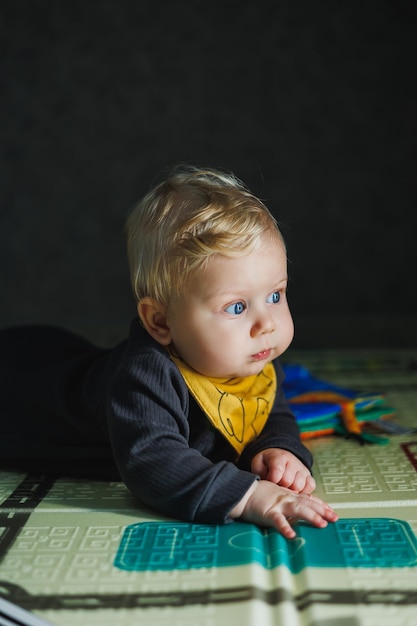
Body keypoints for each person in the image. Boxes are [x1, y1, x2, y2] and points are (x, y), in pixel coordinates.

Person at [0, 165, 338, 539]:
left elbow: (272, 410)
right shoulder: (144, 375)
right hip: (19, 390)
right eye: (237, 307)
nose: (267, 324)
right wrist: (250, 495)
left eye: (275, 296)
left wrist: (280, 448)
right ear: (160, 322)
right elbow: (153, 461)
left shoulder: (246, 354)